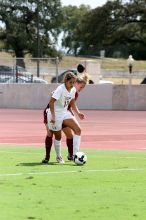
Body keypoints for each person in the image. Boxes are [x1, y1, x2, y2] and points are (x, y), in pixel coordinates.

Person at [42, 72, 85, 164]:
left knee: (78, 130)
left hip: (65, 112)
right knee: (58, 136)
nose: (72, 85)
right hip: (55, 114)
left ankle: (75, 154)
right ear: (66, 81)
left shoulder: (73, 89)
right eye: (70, 82)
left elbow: (72, 102)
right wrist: (53, 116)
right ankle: (58, 156)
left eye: (74, 83)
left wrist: (78, 113)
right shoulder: (60, 89)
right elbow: (51, 102)